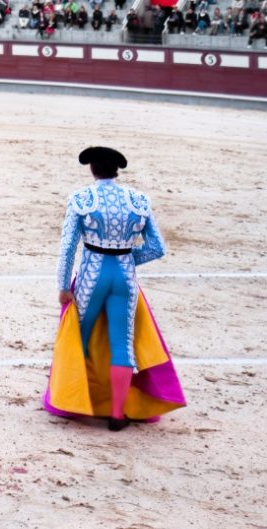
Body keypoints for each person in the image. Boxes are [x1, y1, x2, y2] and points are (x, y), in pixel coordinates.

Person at [44, 147, 186, 431]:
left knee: (79, 338)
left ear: (92, 169)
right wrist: (128, 259)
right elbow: (157, 248)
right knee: (123, 345)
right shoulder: (138, 200)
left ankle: (73, 403)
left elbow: (68, 248)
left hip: (91, 275)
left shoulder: (81, 199)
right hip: (125, 277)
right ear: (116, 170)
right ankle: (118, 414)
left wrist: (62, 285)